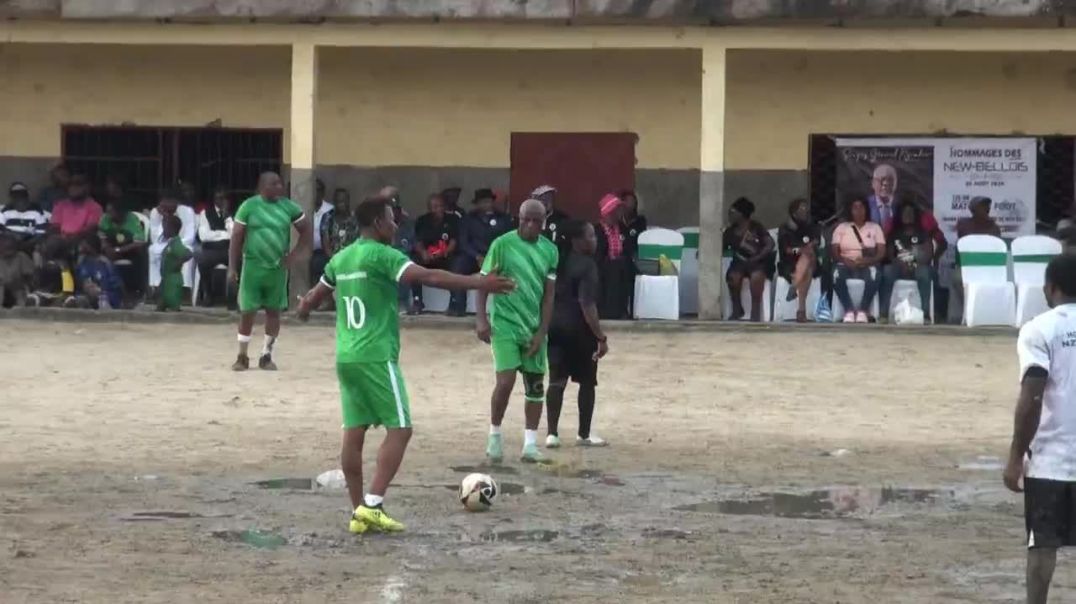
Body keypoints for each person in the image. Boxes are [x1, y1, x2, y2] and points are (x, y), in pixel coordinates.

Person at [295, 197, 513, 534]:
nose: (396, 226)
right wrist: (478, 282)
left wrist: (305, 307)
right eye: (391, 220)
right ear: (379, 225)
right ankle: (373, 504)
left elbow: (312, 298)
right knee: (400, 429)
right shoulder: (384, 255)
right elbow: (429, 277)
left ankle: (358, 513)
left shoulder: (341, 257)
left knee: (354, 433)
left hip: (346, 356)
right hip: (377, 356)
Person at [1003, 254, 1076, 604]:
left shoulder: (1039, 329)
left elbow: (1032, 395)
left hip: (1051, 459)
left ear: (1051, 287)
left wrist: (1016, 454)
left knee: (1042, 545)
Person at [477, 199, 559, 464]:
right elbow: (483, 282)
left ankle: (530, 443)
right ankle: (495, 435)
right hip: (505, 325)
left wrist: (542, 331)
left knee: (535, 386)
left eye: (537, 221)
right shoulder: (502, 245)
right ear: (519, 218)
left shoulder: (550, 251)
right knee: (505, 381)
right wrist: (481, 319)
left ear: (544, 223)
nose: (531, 225)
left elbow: (549, 297)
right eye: (526, 219)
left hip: (533, 327)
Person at [228, 172, 312, 371]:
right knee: (247, 312)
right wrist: (232, 267)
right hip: (252, 267)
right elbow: (236, 237)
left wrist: (294, 256)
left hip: (277, 268)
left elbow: (306, 230)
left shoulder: (289, 207)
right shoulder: (249, 206)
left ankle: (266, 355)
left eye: (280, 183)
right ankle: (242, 356)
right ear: (262, 186)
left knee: (273, 312)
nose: (280, 187)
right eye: (274, 184)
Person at [545, 220, 609, 449]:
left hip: (554, 327)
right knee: (587, 383)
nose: (595, 239)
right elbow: (587, 304)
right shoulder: (587, 266)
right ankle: (584, 434)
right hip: (579, 331)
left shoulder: (558, 263)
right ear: (577, 241)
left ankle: (552, 434)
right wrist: (600, 336)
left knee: (556, 382)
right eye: (590, 236)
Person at [451, 188, 511, 316]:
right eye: (483, 202)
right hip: (474, 256)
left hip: (496, 257)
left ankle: (506, 309)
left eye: (489, 201)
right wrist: (477, 256)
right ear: (477, 204)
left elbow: (507, 241)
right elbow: (463, 242)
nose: (487, 205)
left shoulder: (503, 218)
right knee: (458, 266)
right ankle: (459, 306)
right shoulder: (468, 219)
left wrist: (493, 257)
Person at [879, 202, 938, 322]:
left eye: (910, 213)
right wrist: (901, 264)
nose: (907, 215)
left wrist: (915, 264)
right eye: (905, 213)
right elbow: (889, 255)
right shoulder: (894, 233)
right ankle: (883, 314)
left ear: (915, 215)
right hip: (899, 267)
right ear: (899, 215)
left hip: (918, 267)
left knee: (925, 273)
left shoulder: (922, 233)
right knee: (887, 271)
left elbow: (928, 254)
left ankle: (926, 314)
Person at [831, 197, 885, 323]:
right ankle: (848, 310)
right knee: (835, 275)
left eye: (861, 207)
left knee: (875, 275)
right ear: (850, 210)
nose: (859, 211)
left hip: (867, 264)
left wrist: (867, 261)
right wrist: (845, 261)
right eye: (855, 208)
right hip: (845, 263)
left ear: (866, 210)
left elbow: (881, 252)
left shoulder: (875, 227)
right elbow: (834, 252)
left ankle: (863, 310)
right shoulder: (842, 227)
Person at [949, 196, 1003, 324]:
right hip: (967, 266)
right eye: (983, 206)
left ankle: (981, 312)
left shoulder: (994, 228)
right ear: (974, 209)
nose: (987, 208)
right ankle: (962, 313)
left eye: (987, 206)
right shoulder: (964, 224)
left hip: (988, 268)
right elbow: (966, 239)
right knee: (957, 277)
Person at [723, 197, 776, 322]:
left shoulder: (756, 227)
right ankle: (737, 309)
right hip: (739, 263)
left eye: (732, 212)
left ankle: (755, 312)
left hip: (758, 262)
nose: (729, 215)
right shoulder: (730, 231)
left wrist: (758, 257)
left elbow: (770, 244)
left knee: (756, 278)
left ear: (741, 214)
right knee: (733, 278)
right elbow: (721, 247)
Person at [410, 193, 458, 314]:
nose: (439, 209)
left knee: (458, 264)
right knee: (413, 263)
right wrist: (423, 253)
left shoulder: (452, 219)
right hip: (428, 257)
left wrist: (444, 252)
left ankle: (455, 303)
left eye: (441, 206)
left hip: (445, 256)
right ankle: (417, 302)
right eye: (435, 206)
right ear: (429, 208)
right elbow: (417, 241)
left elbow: (454, 241)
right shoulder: (422, 220)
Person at [776, 198, 820, 323]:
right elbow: (787, 250)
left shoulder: (811, 226)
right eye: (801, 208)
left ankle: (794, 286)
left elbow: (816, 241)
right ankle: (801, 311)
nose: (805, 211)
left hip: (812, 260)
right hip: (789, 263)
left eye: (806, 208)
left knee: (809, 255)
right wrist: (801, 250)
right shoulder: (785, 228)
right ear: (793, 212)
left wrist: (807, 248)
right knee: (808, 270)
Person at [98, 198, 148, 302]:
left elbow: (139, 242)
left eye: (111, 212)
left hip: (128, 250)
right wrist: (108, 249)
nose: (108, 214)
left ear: (121, 212)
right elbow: (102, 238)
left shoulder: (132, 219)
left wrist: (118, 250)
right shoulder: (105, 219)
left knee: (140, 255)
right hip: (110, 248)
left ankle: (136, 291)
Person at [148, 190, 197, 295]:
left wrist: (174, 244)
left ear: (175, 201)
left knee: (188, 252)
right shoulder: (155, 212)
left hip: (182, 243)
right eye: (162, 201)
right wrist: (166, 218)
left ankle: (185, 290)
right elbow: (155, 238)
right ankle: (156, 287)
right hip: (163, 244)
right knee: (152, 249)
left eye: (167, 201)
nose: (164, 204)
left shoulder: (187, 211)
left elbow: (190, 237)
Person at [594, 194, 632, 320]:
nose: (618, 214)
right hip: (601, 267)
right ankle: (607, 312)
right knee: (613, 269)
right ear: (608, 213)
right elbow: (597, 254)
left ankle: (622, 310)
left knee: (622, 268)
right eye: (616, 211)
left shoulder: (622, 228)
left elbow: (627, 249)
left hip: (621, 266)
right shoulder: (597, 230)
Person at [195, 186, 234, 306]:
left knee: (240, 263)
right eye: (218, 198)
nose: (221, 201)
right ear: (214, 199)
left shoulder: (233, 213)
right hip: (211, 249)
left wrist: (227, 217)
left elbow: (233, 234)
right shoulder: (205, 213)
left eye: (224, 198)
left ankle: (234, 298)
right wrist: (223, 234)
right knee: (203, 262)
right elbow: (204, 236)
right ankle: (208, 295)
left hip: (229, 250)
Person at [73, 235, 123, 310]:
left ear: (90, 245)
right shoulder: (81, 261)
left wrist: (99, 290)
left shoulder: (105, 263)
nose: (81, 246)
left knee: (103, 300)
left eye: (83, 243)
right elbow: (78, 281)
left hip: (105, 296)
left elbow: (115, 285)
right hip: (86, 295)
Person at [50, 174, 103, 242]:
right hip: (59, 240)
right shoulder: (60, 205)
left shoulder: (95, 207)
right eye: (70, 184)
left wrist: (71, 238)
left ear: (87, 187)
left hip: (81, 241)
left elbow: (90, 229)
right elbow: (55, 226)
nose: (73, 187)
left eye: (78, 184)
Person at [1, 182, 50, 255]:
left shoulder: (37, 210)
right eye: (15, 195)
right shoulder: (5, 210)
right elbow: (1, 229)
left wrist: (27, 244)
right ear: (11, 197)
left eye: (22, 195)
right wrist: (12, 236)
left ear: (27, 196)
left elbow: (40, 233)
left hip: (29, 243)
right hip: (9, 242)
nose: (19, 198)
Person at [27, 236, 74, 307]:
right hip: (42, 294)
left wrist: (61, 298)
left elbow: (68, 288)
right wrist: (37, 268)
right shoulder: (42, 263)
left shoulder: (64, 265)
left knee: (70, 301)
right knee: (31, 299)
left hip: (59, 295)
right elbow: (35, 284)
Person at [157, 214, 191, 312]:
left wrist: (179, 263)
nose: (163, 230)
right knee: (160, 307)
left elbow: (188, 254)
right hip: (166, 280)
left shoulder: (176, 243)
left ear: (172, 229)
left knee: (174, 310)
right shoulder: (170, 243)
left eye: (165, 227)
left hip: (173, 280)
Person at [532, 185, 570, 256]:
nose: (546, 201)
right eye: (542, 199)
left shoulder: (562, 218)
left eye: (549, 198)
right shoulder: (529, 218)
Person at [320, 188, 359, 257]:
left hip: (352, 258)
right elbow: (326, 244)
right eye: (338, 201)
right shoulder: (327, 218)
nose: (341, 204)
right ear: (334, 202)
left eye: (344, 201)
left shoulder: (355, 218)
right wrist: (334, 261)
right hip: (333, 258)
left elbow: (360, 241)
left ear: (348, 201)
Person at [0, 232, 34, 307]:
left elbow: (30, 277)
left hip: (19, 289)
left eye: (10, 244)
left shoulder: (21, 257)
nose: (7, 245)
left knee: (19, 290)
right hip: (2, 290)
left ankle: (22, 312)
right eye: (3, 243)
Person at [310, 179, 333, 286]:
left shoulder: (330, 210)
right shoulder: (303, 207)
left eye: (318, 190)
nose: (315, 193)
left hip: (324, 251)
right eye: (313, 190)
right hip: (307, 250)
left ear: (322, 193)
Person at [618, 190, 648, 260]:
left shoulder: (640, 221)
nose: (630, 205)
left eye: (632, 202)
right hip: (620, 259)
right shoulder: (617, 222)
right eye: (627, 202)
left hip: (635, 258)